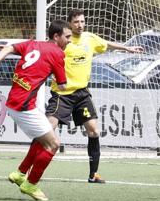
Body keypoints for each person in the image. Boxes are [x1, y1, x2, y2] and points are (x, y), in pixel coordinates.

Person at [0, 20, 71, 201]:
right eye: (67, 37)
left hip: (16, 102)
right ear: (56, 37)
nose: (69, 41)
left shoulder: (32, 43)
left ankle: (19, 174)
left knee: (43, 140)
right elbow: (63, 86)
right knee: (53, 144)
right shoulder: (57, 53)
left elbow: (8, 48)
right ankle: (31, 184)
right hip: (23, 107)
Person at [46, 9, 143, 184]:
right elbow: (41, 50)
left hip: (82, 93)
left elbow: (106, 43)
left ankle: (93, 174)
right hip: (62, 94)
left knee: (93, 131)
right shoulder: (62, 41)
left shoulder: (89, 39)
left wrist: (126, 48)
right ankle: (26, 169)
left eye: (82, 21)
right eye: (76, 22)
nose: (80, 25)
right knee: (46, 130)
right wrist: (14, 49)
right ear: (69, 24)